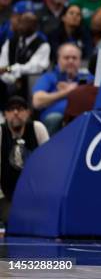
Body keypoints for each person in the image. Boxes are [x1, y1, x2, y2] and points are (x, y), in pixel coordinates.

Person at [0, 95, 49, 223]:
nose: (16, 112)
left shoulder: (37, 128)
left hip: (34, 194)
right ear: (5, 114)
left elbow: (48, 165)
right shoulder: (0, 132)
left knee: (41, 220)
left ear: (28, 113)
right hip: (6, 194)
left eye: (20, 109)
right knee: (14, 220)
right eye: (11, 109)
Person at [32, 43, 93, 135]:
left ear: (80, 61)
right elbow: (37, 101)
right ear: (58, 60)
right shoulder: (49, 78)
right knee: (54, 118)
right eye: (66, 58)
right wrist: (66, 92)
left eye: (74, 58)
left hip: (82, 116)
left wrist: (76, 89)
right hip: (57, 119)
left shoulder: (88, 78)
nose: (71, 61)